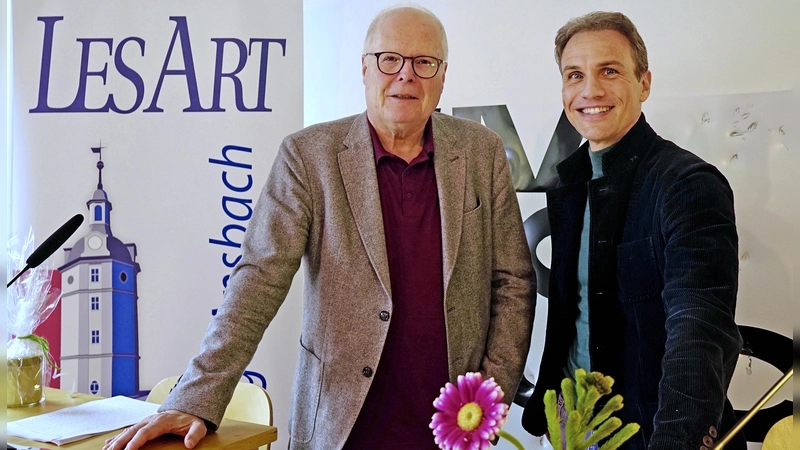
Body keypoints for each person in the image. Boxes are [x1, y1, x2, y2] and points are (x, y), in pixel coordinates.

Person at [105, 5, 535, 450]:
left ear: (443, 76)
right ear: (365, 68)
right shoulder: (308, 156)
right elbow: (258, 280)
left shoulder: (480, 152)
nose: (406, 75)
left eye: (424, 63)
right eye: (390, 59)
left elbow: (513, 281)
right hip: (342, 425)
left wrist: (490, 393)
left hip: (451, 428)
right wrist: (196, 396)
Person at [520, 11, 745, 450]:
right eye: (574, 75)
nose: (590, 91)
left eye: (609, 70)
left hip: (651, 433)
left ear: (644, 83)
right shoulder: (569, 182)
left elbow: (699, 328)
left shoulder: (688, 184)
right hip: (568, 426)